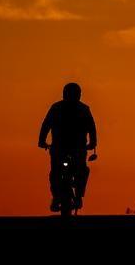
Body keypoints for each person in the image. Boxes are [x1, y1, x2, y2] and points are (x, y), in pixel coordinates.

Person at [38, 83, 97, 212]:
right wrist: (92, 144)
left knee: (69, 171)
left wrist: (42, 141)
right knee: (59, 173)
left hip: (66, 148)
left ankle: (70, 196)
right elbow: (92, 129)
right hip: (69, 148)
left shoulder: (57, 108)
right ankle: (70, 196)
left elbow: (45, 125)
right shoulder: (83, 109)